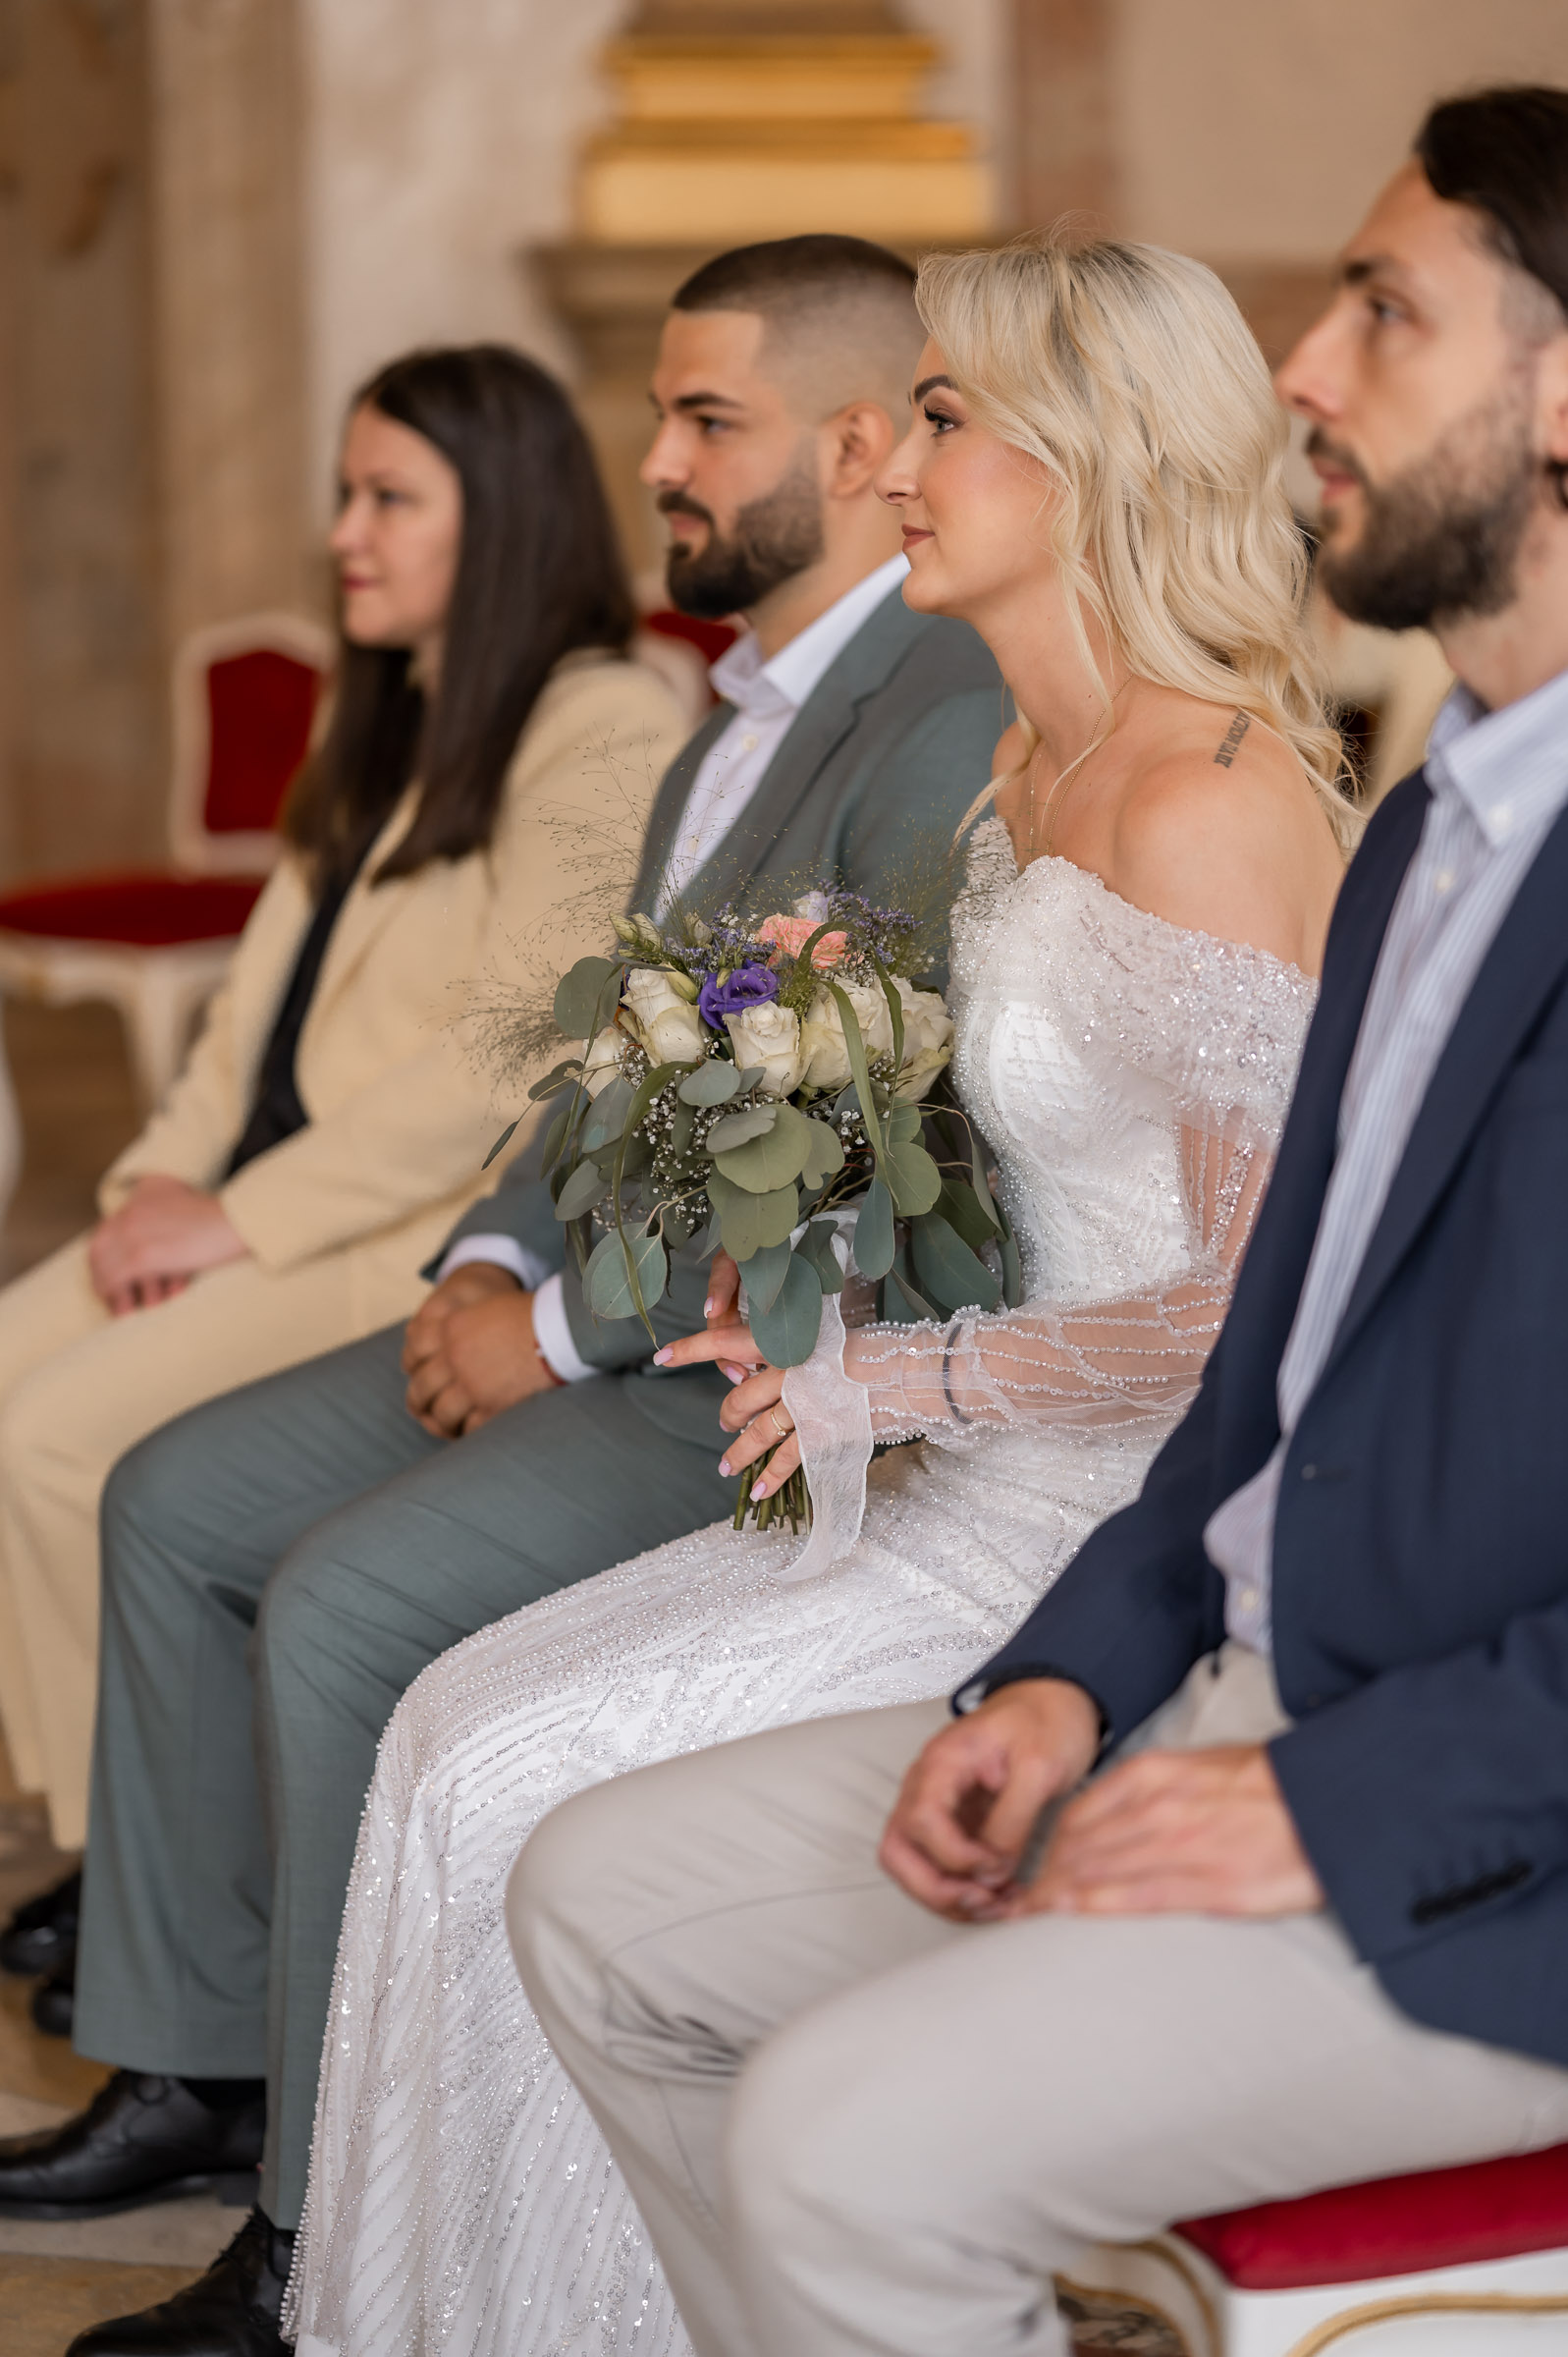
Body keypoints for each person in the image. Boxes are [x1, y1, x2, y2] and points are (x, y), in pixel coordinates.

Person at [510, 84, 1568, 2357]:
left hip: (1481, 1835)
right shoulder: (1428, 836)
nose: (1302, 368)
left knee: (836, 2145)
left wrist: (1336, 1799)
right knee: (591, 1899)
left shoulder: (1263, 812)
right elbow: (1278, 1378)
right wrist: (1077, 1673)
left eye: (1383, 313)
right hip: (1218, 1666)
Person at [282, 231, 1351, 2357]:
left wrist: (911, 1377)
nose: (898, 467)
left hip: (1108, 1544)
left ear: (1088, 455)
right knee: (448, 1729)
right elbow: (1029, 1180)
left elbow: (1255, 1315)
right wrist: (812, 1223)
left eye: (944, 420)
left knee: (504, 1783)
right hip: (956, 1471)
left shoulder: (1209, 803)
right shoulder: (1022, 776)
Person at [4, 236, 1004, 2357]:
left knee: (341, 1602)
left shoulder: (934, 718)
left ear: (855, 445)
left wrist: (551, 1333)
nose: (658, 463)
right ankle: (203, 2051)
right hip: (568, 1283)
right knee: (173, 1499)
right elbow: (598, 1066)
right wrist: (487, 1257)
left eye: (704, 420)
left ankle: (310, 2245)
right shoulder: (721, 722)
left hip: (736, 1368)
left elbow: (836, 1148)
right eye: (657, 417)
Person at [0, 340, 681, 1894]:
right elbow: (249, 1009)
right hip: (254, 1191)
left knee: (51, 1445)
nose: (342, 535)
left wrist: (233, 1221)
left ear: (499, 514)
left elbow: (510, 1049)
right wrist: (155, 1182)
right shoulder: (380, 714)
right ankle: (112, 1850)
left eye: (388, 498)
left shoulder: (601, 723)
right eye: (343, 495)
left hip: (397, 1229)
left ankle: (145, 1893)